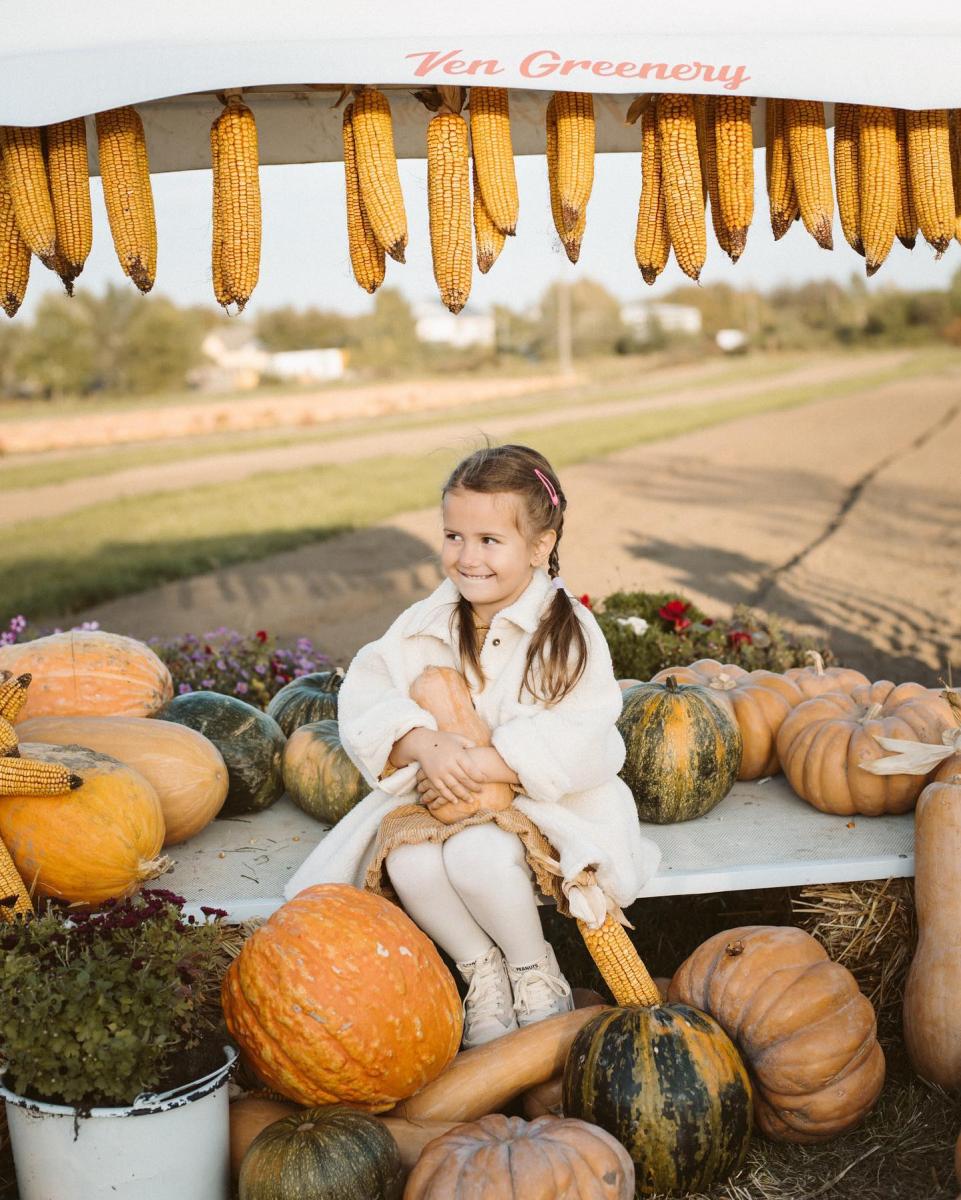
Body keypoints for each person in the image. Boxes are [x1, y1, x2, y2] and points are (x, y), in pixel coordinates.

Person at [284, 444, 661, 1047]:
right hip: (442, 790)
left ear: (541, 546)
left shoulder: (566, 630)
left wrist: (486, 761)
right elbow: (369, 690)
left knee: (477, 859)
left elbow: (586, 732)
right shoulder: (424, 620)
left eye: (490, 540)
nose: (467, 556)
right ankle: (479, 970)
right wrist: (422, 744)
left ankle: (533, 968)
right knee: (409, 861)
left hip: (547, 796)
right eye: (453, 536)